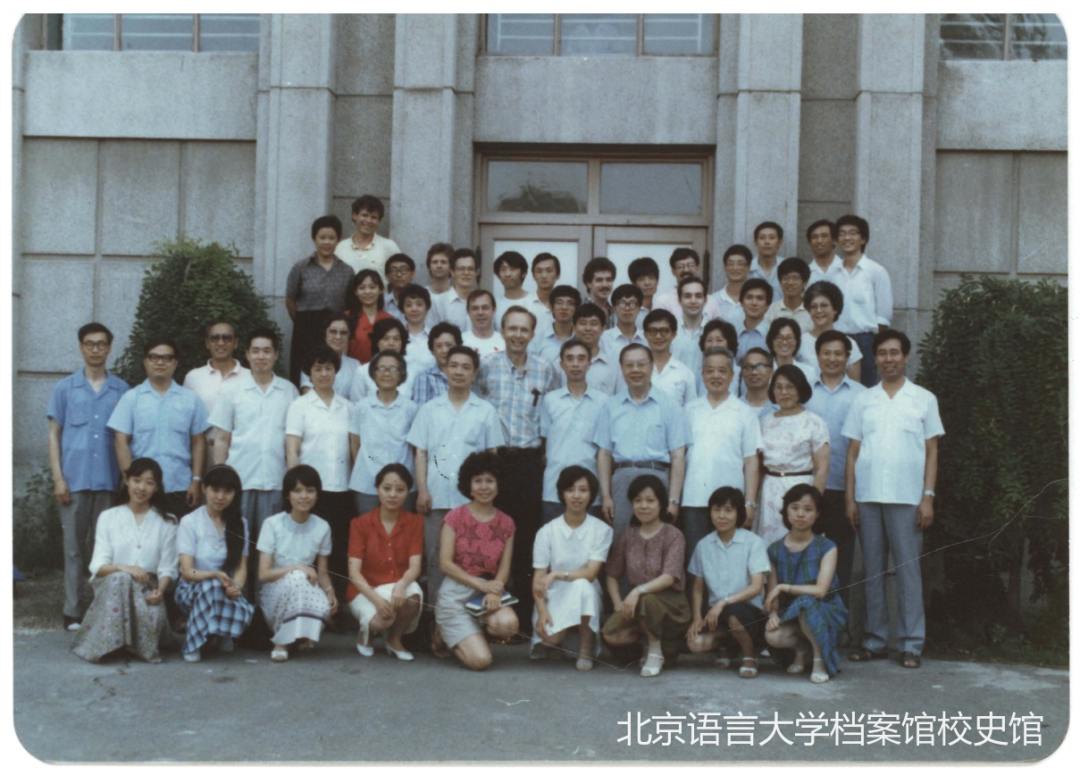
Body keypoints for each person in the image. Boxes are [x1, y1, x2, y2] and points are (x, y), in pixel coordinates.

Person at [843, 329, 943, 669]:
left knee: (908, 571)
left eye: (895, 353)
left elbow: (932, 452)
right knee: (871, 571)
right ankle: (874, 640)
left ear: (905, 356)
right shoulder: (864, 400)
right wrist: (850, 499)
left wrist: (927, 497)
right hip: (868, 496)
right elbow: (852, 452)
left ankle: (910, 643)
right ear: (875, 359)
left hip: (907, 498)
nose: (889, 359)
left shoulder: (923, 399)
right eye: (883, 353)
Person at [475, 306, 560, 629]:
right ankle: (486, 613)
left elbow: (551, 415)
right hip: (495, 461)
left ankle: (522, 617)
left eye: (524, 329)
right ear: (503, 331)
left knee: (525, 538)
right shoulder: (487, 367)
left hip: (528, 462)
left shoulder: (546, 370)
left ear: (532, 334)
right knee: (489, 535)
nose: (518, 335)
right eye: (512, 328)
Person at [407, 346, 505, 611]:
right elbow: (420, 453)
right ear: (445, 369)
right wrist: (423, 490)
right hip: (436, 497)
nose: (459, 372)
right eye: (454, 366)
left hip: (473, 501)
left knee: (472, 559)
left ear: (474, 374)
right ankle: (437, 621)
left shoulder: (485, 411)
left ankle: (470, 618)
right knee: (436, 559)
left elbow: (492, 458)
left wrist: (487, 496)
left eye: (465, 367)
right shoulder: (429, 410)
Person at [48, 322, 130, 631]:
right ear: (81, 348)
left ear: (109, 348)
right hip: (74, 481)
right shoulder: (65, 388)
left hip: (109, 482)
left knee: (104, 549)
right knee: (73, 549)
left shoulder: (121, 390)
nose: (95, 349)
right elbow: (54, 434)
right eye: (89, 344)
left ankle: (101, 609)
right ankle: (72, 610)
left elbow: (126, 437)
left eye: (101, 344)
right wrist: (58, 478)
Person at [209, 328, 299, 600]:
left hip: (275, 481)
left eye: (267, 351)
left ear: (276, 355)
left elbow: (293, 439)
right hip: (240, 481)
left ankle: (265, 607)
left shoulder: (288, 391)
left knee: (269, 549)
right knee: (239, 545)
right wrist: (220, 476)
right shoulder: (232, 390)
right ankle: (238, 602)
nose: (261, 356)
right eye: (256, 351)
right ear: (247, 355)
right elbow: (221, 438)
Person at [72, 458, 178, 664]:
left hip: (147, 588)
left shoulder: (168, 521)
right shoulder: (108, 517)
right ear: (127, 481)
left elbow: (168, 568)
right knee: (121, 579)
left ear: (156, 487)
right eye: (137, 480)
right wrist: (122, 568)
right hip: (112, 587)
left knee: (151, 620)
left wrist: (160, 590)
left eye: (149, 483)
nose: (142, 488)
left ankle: (125, 643)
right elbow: (97, 565)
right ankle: (109, 645)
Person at [286, 345, 356, 615]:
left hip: (342, 489)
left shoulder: (348, 407)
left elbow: (354, 450)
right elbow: (292, 448)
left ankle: (335, 609)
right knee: (310, 551)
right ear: (309, 373)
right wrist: (296, 487)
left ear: (336, 372)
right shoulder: (300, 406)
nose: (324, 373)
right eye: (318, 369)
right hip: (310, 492)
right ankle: (308, 607)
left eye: (329, 368)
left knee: (337, 551)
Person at [594, 344, 688, 542]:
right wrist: (606, 496)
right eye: (629, 365)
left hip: (657, 478)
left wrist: (673, 500)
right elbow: (604, 454)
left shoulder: (669, 406)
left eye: (641, 364)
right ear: (622, 369)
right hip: (622, 479)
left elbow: (678, 456)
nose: (635, 370)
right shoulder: (611, 406)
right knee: (621, 540)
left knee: (656, 540)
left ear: (651, 366)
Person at [434, 451, 518, 670]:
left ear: (498, 485)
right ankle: (441, 632)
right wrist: (483, 586)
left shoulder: (507, 523)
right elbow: (445, 564)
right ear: (468, 486)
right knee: (481, 661)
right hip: (456, 593)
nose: (484, 487)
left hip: (485, 593)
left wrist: (494, 590)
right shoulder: (455, 517)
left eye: (490, 481)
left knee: (508, 625)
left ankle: (467, 631)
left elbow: (504, 568)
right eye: (478, 481)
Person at [108, 338, 209, 519]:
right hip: (142, 489)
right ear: (145, 361)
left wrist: (196, 481)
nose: (160, 362)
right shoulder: (131, 398)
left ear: (175, 362)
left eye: (167, 358)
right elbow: (120, 441)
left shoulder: (190, 399)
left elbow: (198, 441)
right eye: (154, 357)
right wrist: (130, 481)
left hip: (180, 485)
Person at [601, 475, 690, 678]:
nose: (643, 506)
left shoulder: (673, 535)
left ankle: (656, 652)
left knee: (647, 601)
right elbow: (612, 574)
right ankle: (647, 646)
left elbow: (669, 577)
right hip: (638, 604)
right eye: (638, 500)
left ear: (661, 504)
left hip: (671, 604)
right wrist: (617, 603)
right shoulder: (629, 535)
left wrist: (637, 591)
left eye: (650, 500)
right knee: (610, 634)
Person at [804, 330, 866, 606]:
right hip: (809, 488)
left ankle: (838, 620)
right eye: (826, 353)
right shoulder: (805, 392)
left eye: (838, 354)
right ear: (817, 356)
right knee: (808, 557)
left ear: (847, 357)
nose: (832, 358)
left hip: (845, 487)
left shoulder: (862, 395)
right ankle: (808, 620)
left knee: (842, 558)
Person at [681, 347, 762, 560]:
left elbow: (751, 461)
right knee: (696, 561)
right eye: (710, 371)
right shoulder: (689, 410)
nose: (715, 376)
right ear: (702, 374)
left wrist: (749, 503)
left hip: (731, 503)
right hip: (694, 499)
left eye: (722, 371)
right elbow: (679, 457)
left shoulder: (745, 413)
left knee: (730, 560)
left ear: (732, 375)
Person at [764, 484, 848, 683]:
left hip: (825, 610)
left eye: (808, 509)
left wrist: (785, 587)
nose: (800, 514)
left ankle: (820, 660)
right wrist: (773, 614)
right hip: (791, 613)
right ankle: (802, 650)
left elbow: (820, 590)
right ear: (786, 510)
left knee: (806, 602)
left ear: (817, 514)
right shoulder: (774, 549)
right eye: (795, 508)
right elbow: (772, 594)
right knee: (773, 636)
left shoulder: (827, 547)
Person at [531, 466, 613, 670]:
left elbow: (591, 573)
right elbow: (538, 578)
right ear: (562, 494)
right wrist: (542, 610)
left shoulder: (601, 530)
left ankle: (585, 648)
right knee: (549, 640)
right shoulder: (547, 531)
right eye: (570, 490)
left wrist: (557, 574)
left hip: (587, 590)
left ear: (591, 495)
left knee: (582, 586)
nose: (576, 496)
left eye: (583, 490)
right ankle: (561, 642)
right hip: (554, 592)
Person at [686, 487, 770, 678]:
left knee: (734, 615)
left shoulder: (753, 542)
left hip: (749, 612)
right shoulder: (704, 545)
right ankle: (727, 645)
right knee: (695, 643)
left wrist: (724, 602)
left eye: (728, 510)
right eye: (716, 510)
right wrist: (697, 617)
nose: (721, 516)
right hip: (717, 614)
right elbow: (698, 587)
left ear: (738, 513)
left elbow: (756, 587)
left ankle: (750, 656)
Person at [173, 465, 254, 662]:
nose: (220, 496)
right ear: (204, 489)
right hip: (190, 589)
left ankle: (221, 630)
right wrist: (214, 575)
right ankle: (193, 644)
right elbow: (187, 572)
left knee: (218, 587)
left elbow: (241, 567)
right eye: (215, 490)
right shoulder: (190, 522)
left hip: (225, 589)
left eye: (227, 491)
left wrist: (237, 587)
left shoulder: (240, 523)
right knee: (211, 585)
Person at [257, 465, 336, 662]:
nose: (304, 496)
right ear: (287, 495)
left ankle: (300, 636)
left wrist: (330, 592)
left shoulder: (322, 527)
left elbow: (322, 573)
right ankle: (281, 642)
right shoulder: (272, 524)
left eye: (310, 490)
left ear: (317, 494)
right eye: (297, 491)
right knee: (297, 577)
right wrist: (297, 567)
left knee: (321, 603)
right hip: (275, 593)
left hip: (305, 588)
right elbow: (263, 574)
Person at [347, 464, 424, 661]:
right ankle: (367, 633)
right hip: (366, 590)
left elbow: (415, 565)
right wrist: (377, 600)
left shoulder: (414, 522)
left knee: (414, 595)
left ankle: (394, 639)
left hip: (394, 586)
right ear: (377, 489)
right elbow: (354, 573)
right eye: (387, 488)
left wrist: (401, 585)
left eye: (400, 489)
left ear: (407, 492)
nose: (392, 495)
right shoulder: (360, 524)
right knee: (381, 621)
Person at [756, 365, 830, 546]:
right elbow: (757, 465)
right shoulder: (763, 422)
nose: (784, 392)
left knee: (800, 544)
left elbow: (822, 468)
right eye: (779, 387)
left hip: (801, 490)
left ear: (800, 388)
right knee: (770, 546)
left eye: (790, 387)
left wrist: (813, 502)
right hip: (770, 492)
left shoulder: (814, 422)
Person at [539, 341, 605, 524]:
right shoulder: (550, 400)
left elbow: (605, 450)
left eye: (581, 359)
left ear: (589, 363)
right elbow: (544, 443)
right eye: (570, 359)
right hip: (554, 489)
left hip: (591, 490)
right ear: (562, 364)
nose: (576, 364)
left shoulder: (603, 402)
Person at [286, 214, 354, 386]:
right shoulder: (301, 268)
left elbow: (350, 303)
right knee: (304, 371)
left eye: (331, 238)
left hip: (335, 329)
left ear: (338, 240)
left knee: (332, 369)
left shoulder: (346, 270)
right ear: (314, 239)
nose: (326, 242)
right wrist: (301, 322)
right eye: (322, 238)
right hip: (306, 327)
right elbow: (290, 299)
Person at [349, 350, 419, 515]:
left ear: (401, 375)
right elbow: (355, 442)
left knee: (401, 528)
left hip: (403, 483)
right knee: (368, 527)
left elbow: (417, 448)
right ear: (373, 374)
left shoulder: (411, 408)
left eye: (393, 369)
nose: (387, 373)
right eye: (381, 368)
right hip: (367, 482)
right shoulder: (361, 407)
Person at [833, 214, 894, 386]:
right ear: (836, 240)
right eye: (842, 234)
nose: (847, 238)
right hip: (837, 340)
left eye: (853, 233)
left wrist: (872, 344)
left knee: (865, 389)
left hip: (865, 341)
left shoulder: (876, 271)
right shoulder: (833, 273)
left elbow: (884, 317)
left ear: (863, 239)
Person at [182, 320, 249, 446]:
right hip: (204, 449)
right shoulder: (193, 378)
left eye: (227, 338)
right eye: (214, 338)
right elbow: (186, 419)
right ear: (207, 343)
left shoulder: (250, 377)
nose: (221, 343)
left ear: (235, 343)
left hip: (241, 450)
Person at [798, 280, 862, 383]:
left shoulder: (849, 343)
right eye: (814, 306)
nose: (819, 310)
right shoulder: (800, 342)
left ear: (835, 309)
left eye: (824, 305)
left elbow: (855, 386)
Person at [299, 314, 363, 403]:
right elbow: (307, 395)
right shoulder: (311, 361)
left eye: (343, 333)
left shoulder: (355, 365)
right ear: (325, 334)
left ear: (349, 336)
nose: (338, 337)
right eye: (333, 331)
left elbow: (357, 400)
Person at [640, 308, 697, 407]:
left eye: (664, 331)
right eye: (653, 331)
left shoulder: (685, 373)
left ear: (674, 334)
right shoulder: (636, 369)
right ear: (645, 335)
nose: (658, 336)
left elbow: (691, 410)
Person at [335, 194, 401, 278]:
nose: (369, 220)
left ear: (379, 221)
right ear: (354, 215)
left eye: (374, 217)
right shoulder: (339, 248)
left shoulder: (389, 246)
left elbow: (400, 277)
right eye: (365, 215)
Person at [351, 317, 417, 401]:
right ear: (377, 342)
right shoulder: (362, 372)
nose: (391, 343)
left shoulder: (413, 371)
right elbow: (356, 404)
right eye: (385, 339)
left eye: (396, 339)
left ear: (402, 342)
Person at [652, 248, 723, 321]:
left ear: (697, 268)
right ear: (673, 271)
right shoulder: (663, 302)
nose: (686, 270)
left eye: (690, 265)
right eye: (680, 266)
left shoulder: (711, 302)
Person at [343, 269, 392, 365]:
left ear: (380, 290)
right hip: (354, 370)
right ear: (356, 291)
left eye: (372, 287)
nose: (367, 292)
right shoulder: (346, 317)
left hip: (381, 369)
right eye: (362, 288)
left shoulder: (389, 319)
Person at [571, 303, 619, 395]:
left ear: (602, 329)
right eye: (583, 323)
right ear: (574, 328)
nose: (588, 328)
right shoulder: (564, 362)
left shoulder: (614, 361)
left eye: (593, 324)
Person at [411, 321, 463, 405]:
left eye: (449, 345)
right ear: (432, 350)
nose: (444, 351)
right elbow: (421, 410)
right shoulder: (425, 377)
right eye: (438, 346)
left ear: (458, 347)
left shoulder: (467, 374)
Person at [428, 248, 478, 332]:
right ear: (452, 272)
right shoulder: (439, 303)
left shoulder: (483, 303)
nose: (466, 273)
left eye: (470, 269)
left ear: (476, 272)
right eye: (461, 269)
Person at [670, 276, 711, 375]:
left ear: (705, 300)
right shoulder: (670, 333)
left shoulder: (713, 333)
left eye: (698, 296)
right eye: (687, 296)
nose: (693, 301)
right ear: (679, 300)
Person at [529, 284, 579, 364]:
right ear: (551, 307)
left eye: (570, 303)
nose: (564, 307)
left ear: (576, 309)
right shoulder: (537, 340)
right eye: (559, 302)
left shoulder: (582, 338)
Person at [763, 257, 813, 333]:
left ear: (805, 283)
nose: (790, 283)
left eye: (795, 278)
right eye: (785, 278)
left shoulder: (811, 310)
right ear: (780, 282)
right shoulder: (773, 309)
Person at [693, 319, 741, 396]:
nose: (713, 345)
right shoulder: (698, 373)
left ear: (729, 343)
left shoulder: (740, 373)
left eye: (719, 340)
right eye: (709, 340)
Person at [766, 317, 818, 384]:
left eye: (789, 338)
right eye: (779, 338)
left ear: (797, 341)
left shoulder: (808, 372)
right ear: (771, 341)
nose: (784, 342)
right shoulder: (765, 371)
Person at [398, 282, 435, 376]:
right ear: (402, 309)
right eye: (408, 305)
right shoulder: (396, 338)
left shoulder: (435, 338)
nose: (414, 309)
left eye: (419, 304)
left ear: (427, 307)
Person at [600, 284, 647, 357]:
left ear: (639, 309)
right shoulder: (603, 339)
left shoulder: (647, 338)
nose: (627, 308)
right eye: (622, 304)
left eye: (632, 304)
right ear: (614, 309)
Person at [711, 245, 752, 324]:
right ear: (725, 267)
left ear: (748, 267)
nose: (735, 268)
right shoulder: (713, 300)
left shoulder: (755, 300)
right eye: (731, 264)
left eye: (740, 264)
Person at [460, 289, 505, 360]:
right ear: (468, 312)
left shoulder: (504, 341)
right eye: (475, 308)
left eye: (485, 308)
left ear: (494, 310)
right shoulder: (460, 341)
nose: (480, 313)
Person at [749, 221, 785, 301]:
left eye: (772, 238)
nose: (767, 242)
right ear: (755, 243)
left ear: (779, 242)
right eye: (762, 238)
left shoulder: (788, 267)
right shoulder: (747, 268)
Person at [735, 278, 772, 356]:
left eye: (760, 298)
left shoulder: (773, 335)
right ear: (741, 303)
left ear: (768, 305)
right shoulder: (733, 334)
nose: (754, 303)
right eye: (749, 297)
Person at [739, 347, 778, 417]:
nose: (754, 372)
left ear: (771, 371)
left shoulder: (782, 407)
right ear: (742, 372)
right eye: (748, 368)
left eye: (760, 367)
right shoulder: (734, 407)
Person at [582, 257, 617, 330]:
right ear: (589, 283)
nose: (605, 285)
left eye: (608, 280)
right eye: (599, 280)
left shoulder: (614, 312)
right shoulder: (579, 312)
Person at [529, 252, 561, 326]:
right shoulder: (525, 304)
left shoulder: (565, 306)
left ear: (558, 275)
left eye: (549, 271)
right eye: (539, 271)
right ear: (533, 276)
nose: (544, 276)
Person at [805, 219, 841, 285]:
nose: (819, 241)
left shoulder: (846, 269)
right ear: (809, 243)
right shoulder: (805, 274)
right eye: (815, 237)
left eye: (824, 236)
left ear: (834, 240)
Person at [383, 253, 417, 322]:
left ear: (412, 274)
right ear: (387, 276)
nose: (399, 274)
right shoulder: (382, 302)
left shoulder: (421, 301)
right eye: (394, 271)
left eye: (404, 270)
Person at [628, 256, 660, 321]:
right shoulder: (628, 311)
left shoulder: (662, 306)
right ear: (633, 283)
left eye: (651, 278)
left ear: (657, 282)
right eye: (641, 279)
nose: (647, 283)